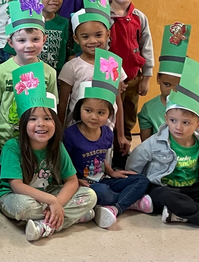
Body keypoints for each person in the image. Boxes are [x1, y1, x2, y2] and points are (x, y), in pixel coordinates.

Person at [128, 59, 199, 230]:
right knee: (162, 195)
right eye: (173, 120)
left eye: (186, 122)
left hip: (192, 189)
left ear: (198, 125)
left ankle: (180, 213)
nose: (178, 127)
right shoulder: (155, 142)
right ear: (166, 119)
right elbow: (135, 163)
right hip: (166, 188)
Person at [0, 62, 98, 242]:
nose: (41, 124)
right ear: (23, 124)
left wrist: (55, 201)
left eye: (47, 118)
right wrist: (53, 202)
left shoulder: (56, 146)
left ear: (55, 123)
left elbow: (72, 181)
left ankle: (45, 226)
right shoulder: (12, 146)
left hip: (49, 193)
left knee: (90, 195)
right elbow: (16, 186)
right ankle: (71, 216)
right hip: (15, 197)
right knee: (24, 208)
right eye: (33, 119)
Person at [62, 52, 151, 230]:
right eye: (88, 110)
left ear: (109, 114)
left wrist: (112, 172)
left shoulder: (107, 133)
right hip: (82, 184)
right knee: (103, 192)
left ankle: (115, 207)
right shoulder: (70, 134)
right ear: (80, 109)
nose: (93, 117)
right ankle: (127, 202)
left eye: (101, 113)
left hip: (102, 179)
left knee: (141, 180)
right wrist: (75, 180)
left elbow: (102, 157)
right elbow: (63, 163)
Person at [0, 0, 57, 150]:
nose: (29, 45)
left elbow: (52, 107)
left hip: (37, 141)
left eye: (35, 39)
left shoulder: (49, 73)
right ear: (11, 42)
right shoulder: (1, 71)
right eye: (21, 40)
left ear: (44, 39)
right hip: (4, 140)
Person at [57, 0, 127, 145]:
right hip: (75, 132)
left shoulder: (112, 63)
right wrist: (59, 132)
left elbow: (118, 101)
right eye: (85, 37)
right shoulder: (72, 66)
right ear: (76, 39)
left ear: (108, 34)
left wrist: (120, 135)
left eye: (98, 35)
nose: (93, 41)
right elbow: (63, 103)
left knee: (101, 165)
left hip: (105, 131)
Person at [105, 0, 154, 153]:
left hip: (133, 78)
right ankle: (109, 154)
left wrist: (147, 76)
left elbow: (146, 46)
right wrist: (114, 78)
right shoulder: (104, 17)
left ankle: (123, 152)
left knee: (129, 117)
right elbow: (102, 49)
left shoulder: (139, 17)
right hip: (111, 79)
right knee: (110, 116)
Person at [138, 23, 191, 142]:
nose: (172, 90)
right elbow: (145, 145)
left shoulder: (191, 107)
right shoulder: (149, 109)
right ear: (158, 79)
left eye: (178, 86)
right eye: (167, 84)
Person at [27, 0, 74, 74]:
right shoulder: (26, 21)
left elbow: (70, 53)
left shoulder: (64, 23)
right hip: (30, 76)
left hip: (55, 77)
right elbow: (12, 53)